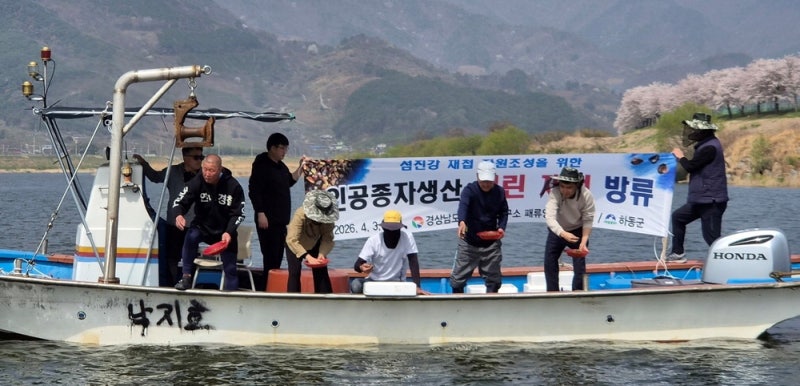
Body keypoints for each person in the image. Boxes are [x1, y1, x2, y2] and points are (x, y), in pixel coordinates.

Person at [172, 154, 246, 291]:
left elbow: (239, 214)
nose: (207, 173)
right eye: (204, 169)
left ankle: (232, 297)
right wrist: (179, 215)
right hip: (202, 227)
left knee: (230, 269)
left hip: (225, 232)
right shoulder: (197, 181)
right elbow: (179, 202)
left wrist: (229, 232)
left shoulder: (233, 186)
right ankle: (186, 277)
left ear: (220, 170)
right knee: (191, 235)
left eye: (211, 170)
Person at [133, 147, 204, 286]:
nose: (200, 161)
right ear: (185, 158)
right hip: (174, 222)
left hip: (195, 224)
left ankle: (189, 283)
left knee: (191, 256)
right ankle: (171, 284)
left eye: (201, 157)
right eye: (196, 157)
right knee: (172, 256)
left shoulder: (204, 175)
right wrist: (144, 164)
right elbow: (155, 177)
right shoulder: (173, 171)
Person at [667, 112, 729, 263]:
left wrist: (680, 156)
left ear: (702, 131)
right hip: (701, 200)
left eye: (694, 129)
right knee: (678, 217)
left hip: (711, 201)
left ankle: (729, 263)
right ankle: (678, 254)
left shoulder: (710, 147)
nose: (691, 133)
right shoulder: (705, 145)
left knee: (712, 238)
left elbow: (692, 166)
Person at [248, 133, 306, 281]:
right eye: (282, 148)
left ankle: (272, 283)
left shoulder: (281, 166)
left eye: (286, 148)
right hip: (267, 219)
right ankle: (267, 285)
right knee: (270, 255)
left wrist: (301, 167)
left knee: (278, 255)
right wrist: (260, 212)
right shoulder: (261, 164)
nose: (284, 152)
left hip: (281, 220)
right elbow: (254, 190)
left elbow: (290, 181)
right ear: (272, 148)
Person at [449, 160, 509, 293]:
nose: (486, 184)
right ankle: (458, 305)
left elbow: (504, 212)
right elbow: (463, 206)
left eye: (489, 181)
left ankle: (491, 305)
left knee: (494, 280)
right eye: (483, 181)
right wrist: (462, 221)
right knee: (457, 280)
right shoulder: (469, 190)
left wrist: (501, 228)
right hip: (469, 242)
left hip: (491, 242)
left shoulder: (499, 192)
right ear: (477, 177)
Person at [543, 167, 595, 291]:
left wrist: (583, 242)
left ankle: (578, 292)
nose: (565, 191)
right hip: (558, 230)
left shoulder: (586, 195)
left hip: (578, 230)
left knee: (579, 265)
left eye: (569, 187)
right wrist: (562, 233)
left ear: (576, 185)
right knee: (549, 262)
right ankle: (552, 293)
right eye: (562, 186)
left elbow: (588, 219)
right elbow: (549, 217)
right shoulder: (555, 193)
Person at [351, 209, 424, 294]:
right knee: (356, 285)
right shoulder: (373, 240)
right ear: (383, 228)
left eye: (395, 229)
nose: (392, 232)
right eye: (388, 229)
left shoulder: (407, 237)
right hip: (375, 281)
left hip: (397, 283)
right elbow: (357, 265)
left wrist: (417, 287)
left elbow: (413, 262)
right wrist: (362, 268)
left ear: (400, 228)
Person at [285, 190, 338, 293]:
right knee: (294, 272)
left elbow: (328, 239)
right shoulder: (300, 214)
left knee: (321, 270)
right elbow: (291, 239)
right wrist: (308, 257)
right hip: (296, 244)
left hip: (315, 242)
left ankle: (325, 299)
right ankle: (293, 299)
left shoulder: (329, 218)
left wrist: (322, 254)